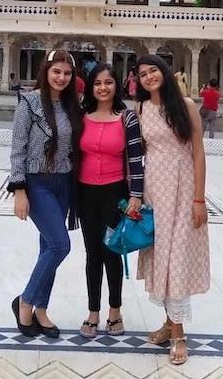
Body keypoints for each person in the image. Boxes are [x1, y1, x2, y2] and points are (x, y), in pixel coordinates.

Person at [135, 54, 210, 366]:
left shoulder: (186, 106)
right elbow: (139, 152)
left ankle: (179, 333)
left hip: (182, 189)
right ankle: (169, 322)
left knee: (177, 257)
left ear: (164, 72)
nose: (149, 77)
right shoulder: (140, 109)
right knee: (162, 257)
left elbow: (198, 153)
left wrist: (199, 199)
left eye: (154, 71)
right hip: (155, 191)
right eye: (142, 74)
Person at [7, 49, 84, 338]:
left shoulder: (72, 105)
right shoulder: (28, 103)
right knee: (60, 245)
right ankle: (25, 301)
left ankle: (41, 309)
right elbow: (18, 148)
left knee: (47, 247)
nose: (61, 77)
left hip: (63, 183)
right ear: (46, 72)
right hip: (37, 182)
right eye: (56, 72)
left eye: (66, 73)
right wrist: (19, 190)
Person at [76, 63, 144, 339]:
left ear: (117, 85)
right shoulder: (81, 115)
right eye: (97, 83)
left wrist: (136, 195)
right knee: (92, 253)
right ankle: (93, 312)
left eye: (108, 82)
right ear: (91, 87)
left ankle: (114, 311)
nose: (103, 88)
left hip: (114, 192)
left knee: (111, 251)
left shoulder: (126, 118)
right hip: (86, 192)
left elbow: (137, 159)